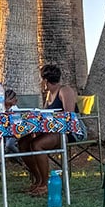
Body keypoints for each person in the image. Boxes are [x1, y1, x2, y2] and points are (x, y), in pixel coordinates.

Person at [18, 64, 81, 196]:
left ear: (45, 80)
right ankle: (38, 179)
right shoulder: (49, 95)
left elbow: (69, 117)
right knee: (23, 142)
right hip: (53, 130)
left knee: (37, 144)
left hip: (70, 131)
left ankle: (45, 184)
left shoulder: (65, 91)